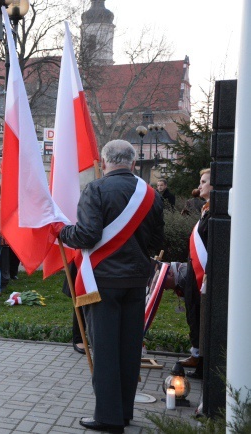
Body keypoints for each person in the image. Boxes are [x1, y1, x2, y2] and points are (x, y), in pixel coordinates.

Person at [59, 140, 164, 433]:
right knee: (129, 350)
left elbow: (87, 235)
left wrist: (62, 231)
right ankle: (125, 412)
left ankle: (108, 417)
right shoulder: (151, 194)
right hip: (136, 282)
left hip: (102, 281)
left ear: (105, 162)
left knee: (105, 350)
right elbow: (157, 243)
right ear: (133, 162)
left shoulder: (96, 189)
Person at [177, 168, 212, 380]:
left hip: (205, 274)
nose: (199, 186)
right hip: (195, 271)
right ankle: (197, 354)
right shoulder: (205, 210)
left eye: (204, 181)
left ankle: (202, 363)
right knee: (194, 313)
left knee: (202, 315)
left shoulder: (216, 211)